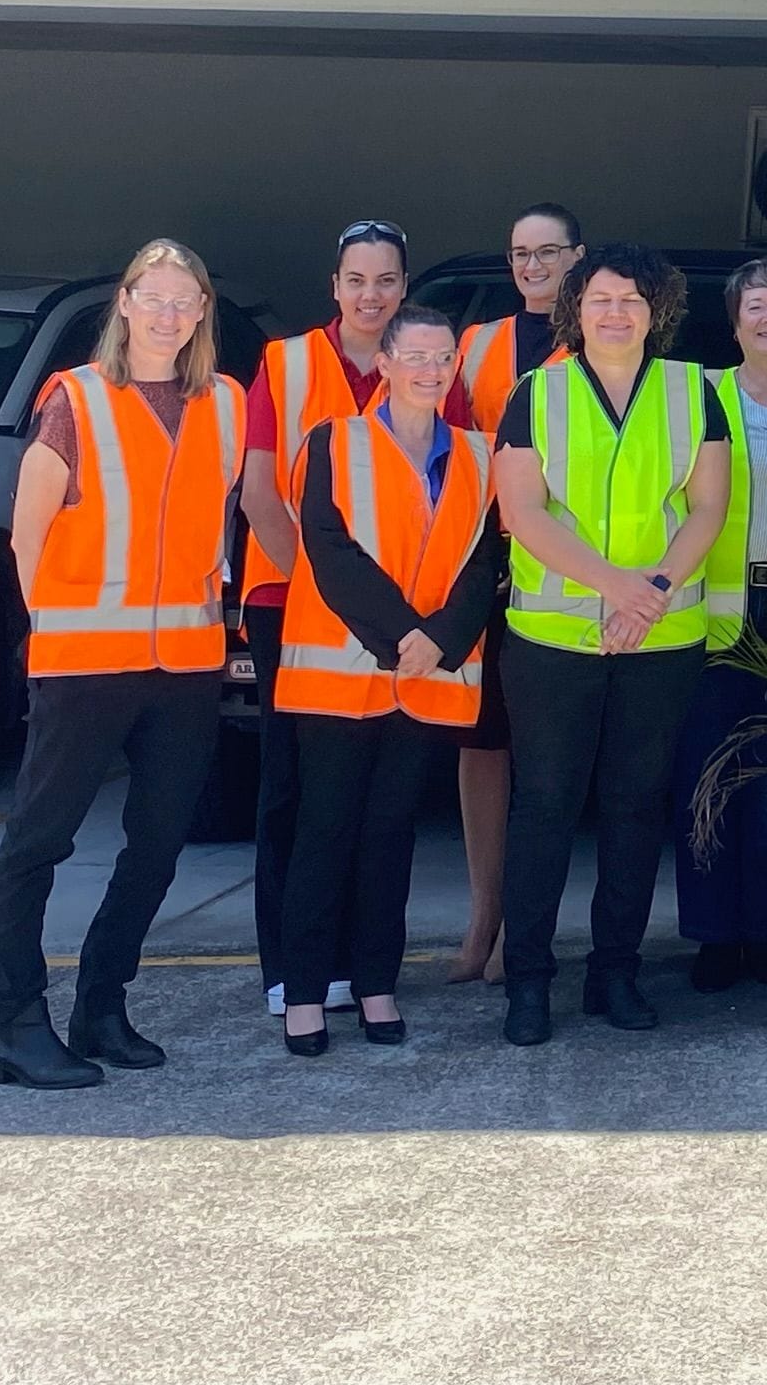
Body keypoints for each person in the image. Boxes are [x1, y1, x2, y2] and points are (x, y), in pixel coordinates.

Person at [0, 240, 245, 1090]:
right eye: (153, 298)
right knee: (39, 842)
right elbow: (26, 536)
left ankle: (102, 1001)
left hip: (186, 663)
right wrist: (50, 635)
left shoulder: (228, 405)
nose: (169, 315)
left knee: (160, 842)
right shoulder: (77, 401)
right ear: (124, 304)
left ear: (203, 311)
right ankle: (16, 1025)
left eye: (185, 301)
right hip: (87, 660)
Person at [490, 244, 732, 1047]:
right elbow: (524, 513)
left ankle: (614, 973)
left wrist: (652, 592)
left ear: (655, 310)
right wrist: (617, 586)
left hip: (660, 637)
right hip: (554, 638)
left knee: (635, 808)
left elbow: (707, 508)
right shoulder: (535, 394)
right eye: (600, 299)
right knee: (545, 808)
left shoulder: (694, 391)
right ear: (576, 309)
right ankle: (528, 982)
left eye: (632, 299)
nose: (616, 312)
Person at [276, 304, 502, 1055]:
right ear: (385, 363)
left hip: (428, 674)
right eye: (416, 357)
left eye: (444, 359)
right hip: (344, 673)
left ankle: (377, 985)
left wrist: (438, 640)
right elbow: (326, 547)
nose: (430, 371)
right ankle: (306, 993)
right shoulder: (334, 442)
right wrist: (402, 636)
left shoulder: (480, 453)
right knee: (325, 830)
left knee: (390, 836)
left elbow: (484, 564)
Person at [240, 219, 409, 1023]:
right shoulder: (287, 363)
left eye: (385, 281)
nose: (370, 295)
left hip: (392, 621)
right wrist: (323, 592)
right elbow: (259, 494)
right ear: (334, 287)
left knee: (371, 797)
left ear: (403, 289)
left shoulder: (423, 364)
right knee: (294, 789)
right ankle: (289, 967)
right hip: (291, 607)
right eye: (356, 280)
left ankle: (356, 961)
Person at [669, 255, 767, 991]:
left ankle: (766, 931)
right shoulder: (701, 395)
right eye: (755, 306)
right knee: (706, 781)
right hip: (713, 623)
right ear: (733, 322)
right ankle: (712, 937)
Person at [445, 202, 580, 986]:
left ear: (577, 258)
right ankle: (482, 915)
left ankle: (527, 929)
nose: (533, 266)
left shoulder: (603, 340)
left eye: (548, 252)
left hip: (563, 575)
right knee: (483, 745)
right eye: (520, 252)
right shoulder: (477, 344)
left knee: (547, 760)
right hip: (487, 566)